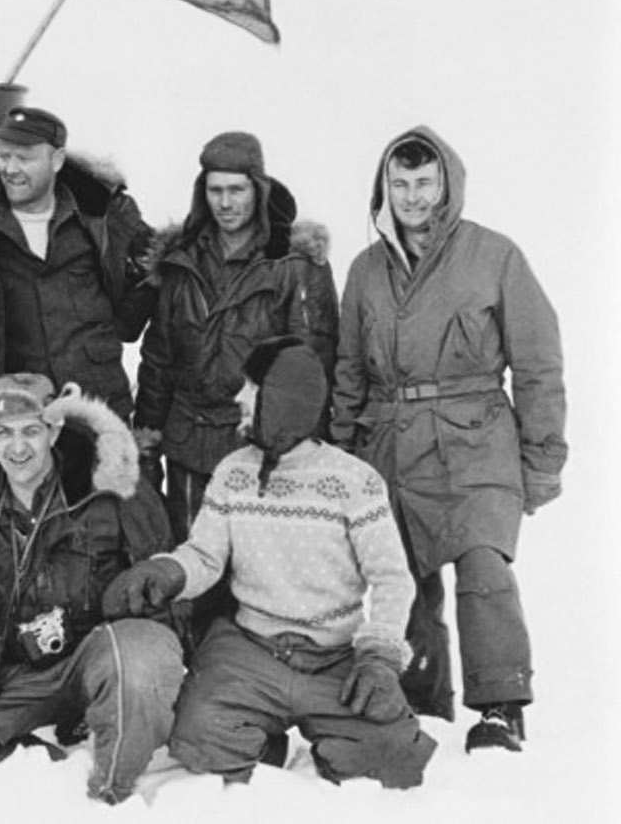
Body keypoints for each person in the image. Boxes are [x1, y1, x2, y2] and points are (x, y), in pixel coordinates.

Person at [106, 337, 438, 790]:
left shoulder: (354, 481)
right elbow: (205, 555)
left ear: (283, 399)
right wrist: (168, 572)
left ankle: (324, 736)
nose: (238, 398)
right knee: (196, 737)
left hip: (333, 658)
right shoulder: (233, 472)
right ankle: (266, 739)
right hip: (249, 649)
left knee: (395, 759)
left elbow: (392, 579)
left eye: (251, 387)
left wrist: (379, 657)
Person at [330, 127, 565, 751]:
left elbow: (538, 362)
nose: (411, 196)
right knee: (402, 580)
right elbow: (348, 369)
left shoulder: (495, 256)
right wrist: (340, 456)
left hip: (476, 440)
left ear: (447, 185)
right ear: (385, 187)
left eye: (423, 183)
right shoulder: (365, 269)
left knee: (484, 567)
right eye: (399, 184)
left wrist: (542, 460)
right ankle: (418, 703)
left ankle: (499, 709)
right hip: (389, 446)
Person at [0, 374, 184, 805]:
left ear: (54, 430)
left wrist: (152, 647)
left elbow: (165, 573)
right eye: (3, 433)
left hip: (97, 657)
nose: (17, 448)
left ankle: (109, 790)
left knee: (141, 657)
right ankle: (45, 762)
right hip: (14, 670)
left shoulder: (109, 486)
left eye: (31, 431)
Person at [135, 131, 338, 541]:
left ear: (258, 189)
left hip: (259, 445)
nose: (225, 203)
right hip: (188, 442)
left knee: (260, 573)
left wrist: (300, 449)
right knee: (194, 569)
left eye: (236, 190)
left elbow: (312, 367)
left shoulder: (293, 264)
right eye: (215, 190)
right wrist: (146, 438)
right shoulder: (180, 260)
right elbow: (158, 358)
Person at [0, 105, 155, 421]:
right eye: (4, 156)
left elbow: (151, 276)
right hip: (17, 416)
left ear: (56, 160)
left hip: (97, 408)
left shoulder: (103, 216)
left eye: (24, 158)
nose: (10, 168)